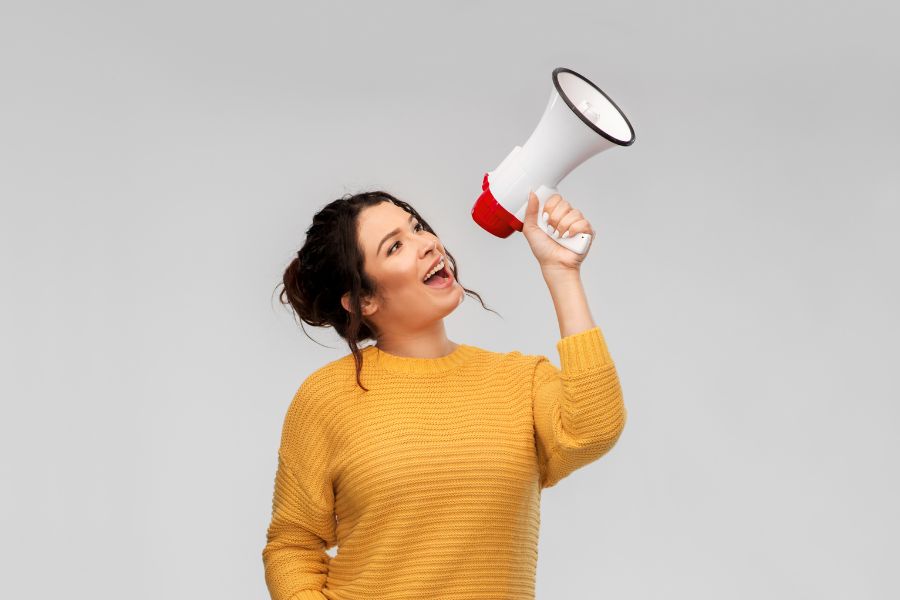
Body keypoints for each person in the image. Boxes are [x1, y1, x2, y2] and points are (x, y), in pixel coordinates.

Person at [262, 189, 627, 600]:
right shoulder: (326, 398)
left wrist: (563, 272)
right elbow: (293, 545)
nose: (427, 243)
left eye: (417, 227)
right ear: (363, 300)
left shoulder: (518, 381)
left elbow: (595, 427)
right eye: (396, 246)